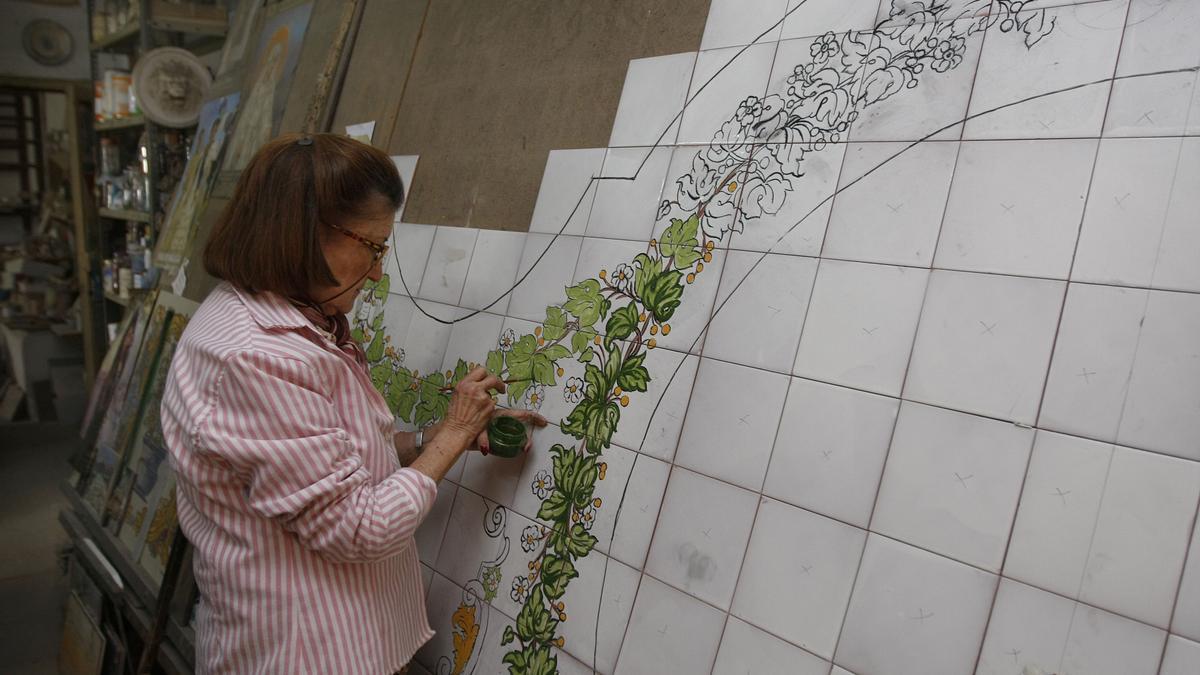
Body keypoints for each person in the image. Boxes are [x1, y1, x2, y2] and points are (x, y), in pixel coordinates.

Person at [161, 133, 546, 674]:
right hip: (303, 655)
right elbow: (357, 528)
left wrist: (428, 441)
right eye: (371, 246)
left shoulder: (290, 321)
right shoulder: (254, 356)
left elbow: (333, 455)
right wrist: (458, 434)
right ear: (302, 233)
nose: (377, 273)